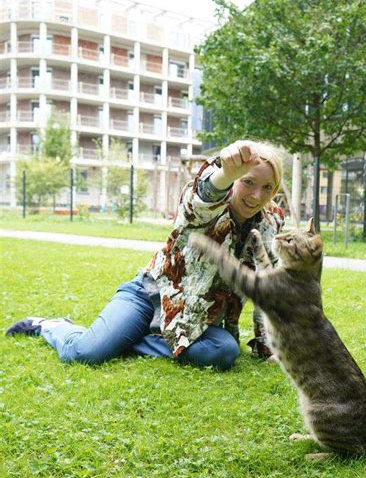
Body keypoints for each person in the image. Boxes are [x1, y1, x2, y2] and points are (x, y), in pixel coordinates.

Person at [7, 141, 284, 370]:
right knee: (84, 353)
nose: (257, 195)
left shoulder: (271, 225)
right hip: (149, 296)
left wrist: (266, 345)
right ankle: (50, 325)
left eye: (268, 187)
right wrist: (223, 173)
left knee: (224, 351)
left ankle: (124, 340)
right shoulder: (210, 206)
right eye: (248, 182)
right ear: (235, 178)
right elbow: (199, 201)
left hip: (193, 320)